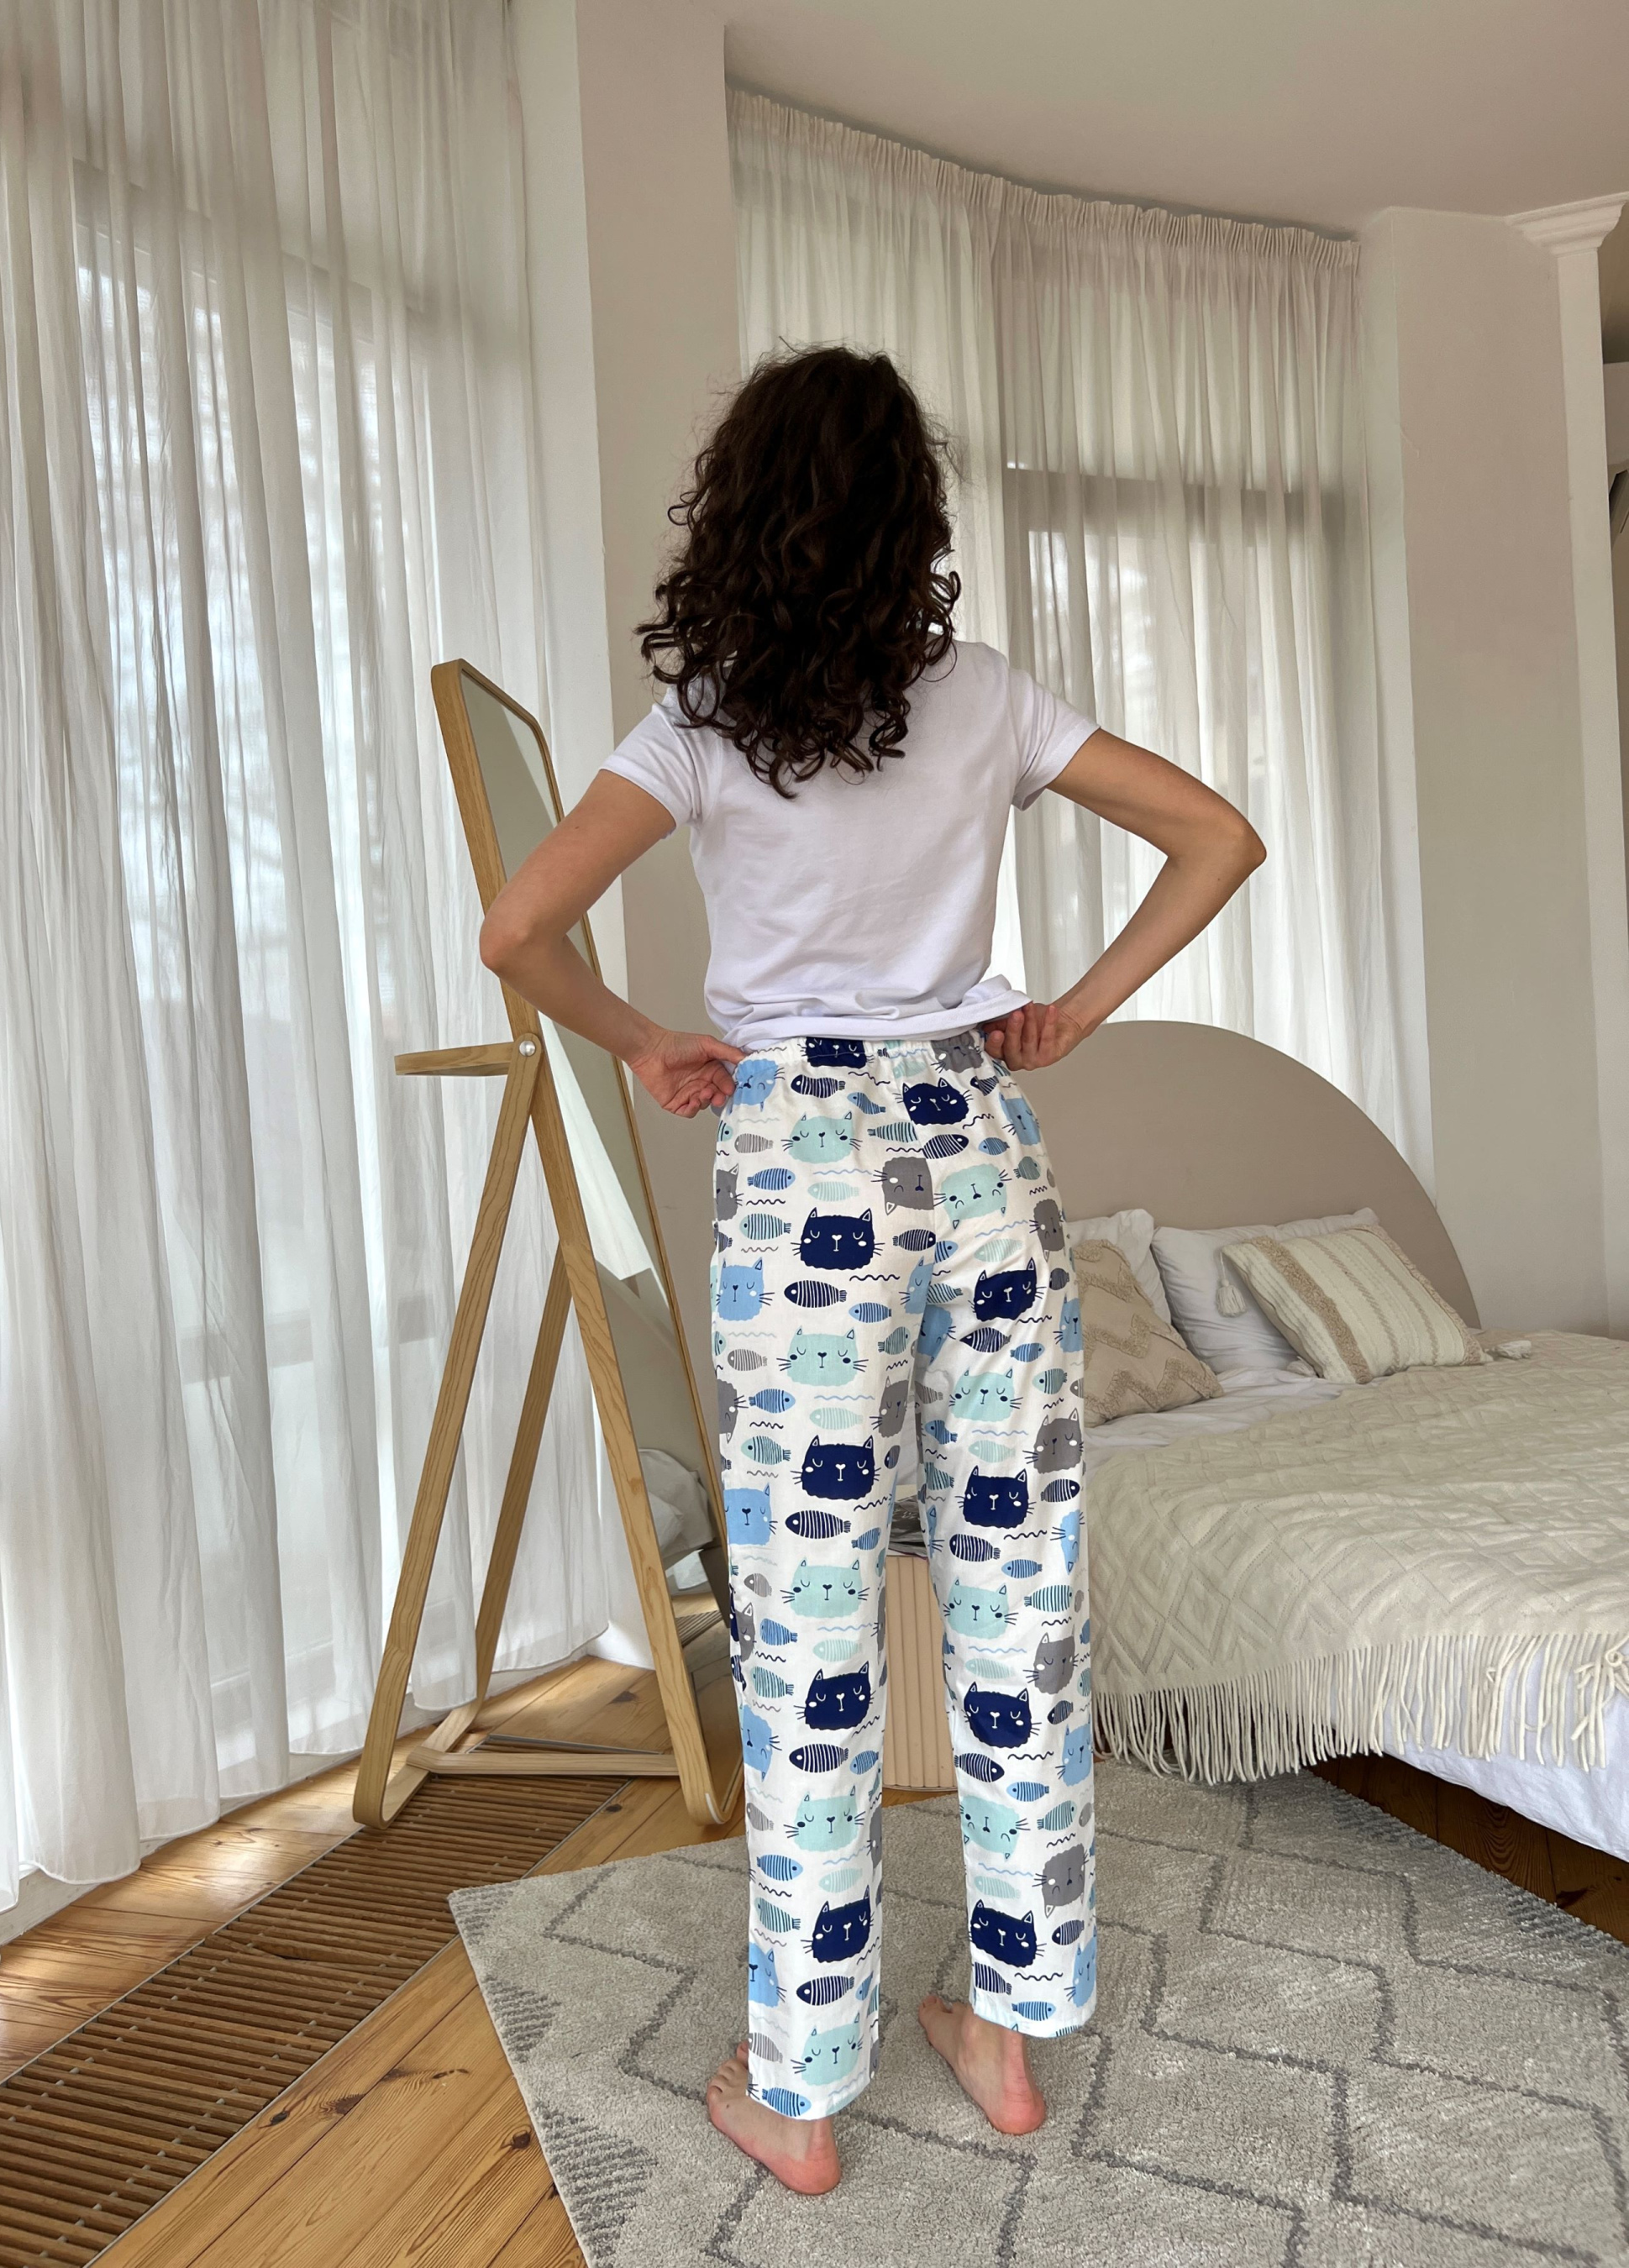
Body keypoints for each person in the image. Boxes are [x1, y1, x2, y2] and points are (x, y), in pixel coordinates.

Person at [479, 344, 1264, 2195]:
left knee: (812, 1630)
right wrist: (1070, 1007)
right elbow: (1217, 837)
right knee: (1017, 1602)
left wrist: (643, 1041)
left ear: (735, 514)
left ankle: (802, 2090)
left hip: (798, 1173)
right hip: (974, 1153)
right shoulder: (983, 697)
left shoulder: (696, 722)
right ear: (915, 519)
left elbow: (516, 928)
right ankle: (1004, 2032)